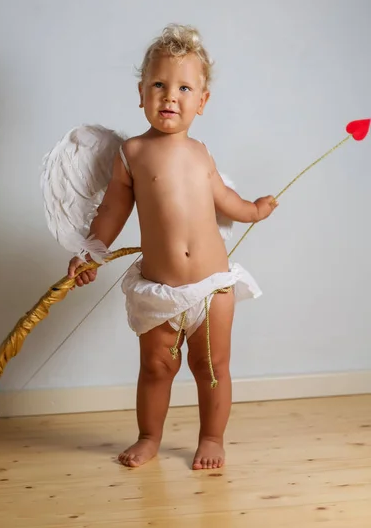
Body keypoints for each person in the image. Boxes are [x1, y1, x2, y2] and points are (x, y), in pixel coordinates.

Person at [67, 24, 278, 470]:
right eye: (159, 85)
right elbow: (111, 211)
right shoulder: (133, 153)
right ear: (141, 92)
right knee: (156, 369)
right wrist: (90, 252)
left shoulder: (202, 154)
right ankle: (148, 436)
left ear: (201, 103)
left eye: (184, 87)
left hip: (211, 288)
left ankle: (212, 438)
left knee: (212, 369)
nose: (170, 96)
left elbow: (226, 201)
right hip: (159, 290)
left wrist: (254, 210)